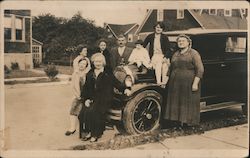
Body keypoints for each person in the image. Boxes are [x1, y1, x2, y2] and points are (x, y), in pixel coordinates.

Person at [163, 34, 204, 127]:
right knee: (176, 101)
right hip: (175, 82)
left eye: (183, 41)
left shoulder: (193, 53)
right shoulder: (176, 54)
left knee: (187, 102)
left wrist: (195, 83)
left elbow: (200, 69)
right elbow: (170, 68)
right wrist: (165, 81)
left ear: (188, 43)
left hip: (188, 82)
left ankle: (188, 123)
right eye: (179, 41)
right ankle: (177, 122)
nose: (180, 43)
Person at [79, 53, 113, 142]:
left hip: (104, 99)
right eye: (96, 61)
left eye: (100, 61)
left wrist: (126, 88)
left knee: (94, 111)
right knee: (83, 112)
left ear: (103, 62)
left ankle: (95, 134)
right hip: (92, 98)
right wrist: (86, 99)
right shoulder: (90, 73)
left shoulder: (107, 73)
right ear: (93, 62)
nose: (98, 63)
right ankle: (88, 132)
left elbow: (116, 83)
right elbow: (86, 88)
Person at [65, 58, 91, 136]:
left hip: (86, 96)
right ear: (78, 64)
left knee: (84, 113)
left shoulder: (88, 74)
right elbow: (72, 86)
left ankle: (86, 130)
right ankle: (72, 128)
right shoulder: (75, 73)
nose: (82, 65)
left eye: (84, 64)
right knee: (73, 109)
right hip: (78, 96)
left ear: (86, 66)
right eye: (81, 63)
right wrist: (77, 95)